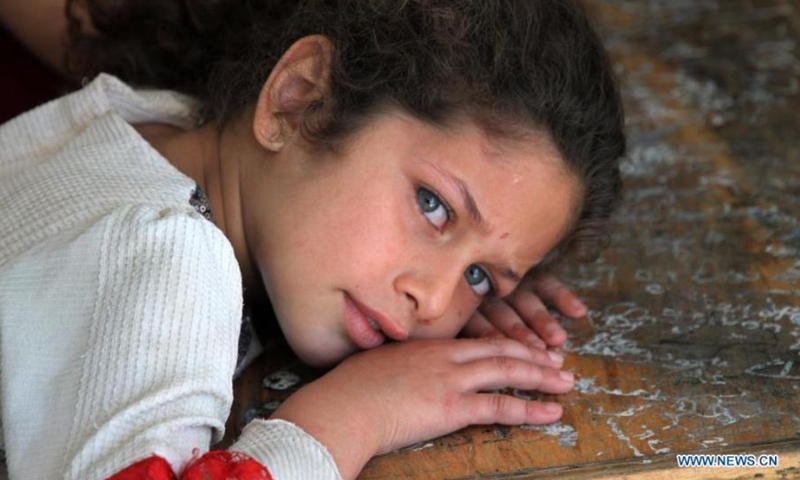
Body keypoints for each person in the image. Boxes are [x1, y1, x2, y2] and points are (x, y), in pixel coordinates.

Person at [0, 0, 625, 479]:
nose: (435, 302)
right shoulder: (169, 256)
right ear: (299, 100)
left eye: (480, 277)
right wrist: (352, 417)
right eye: (433, 205)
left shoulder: (152, 126)